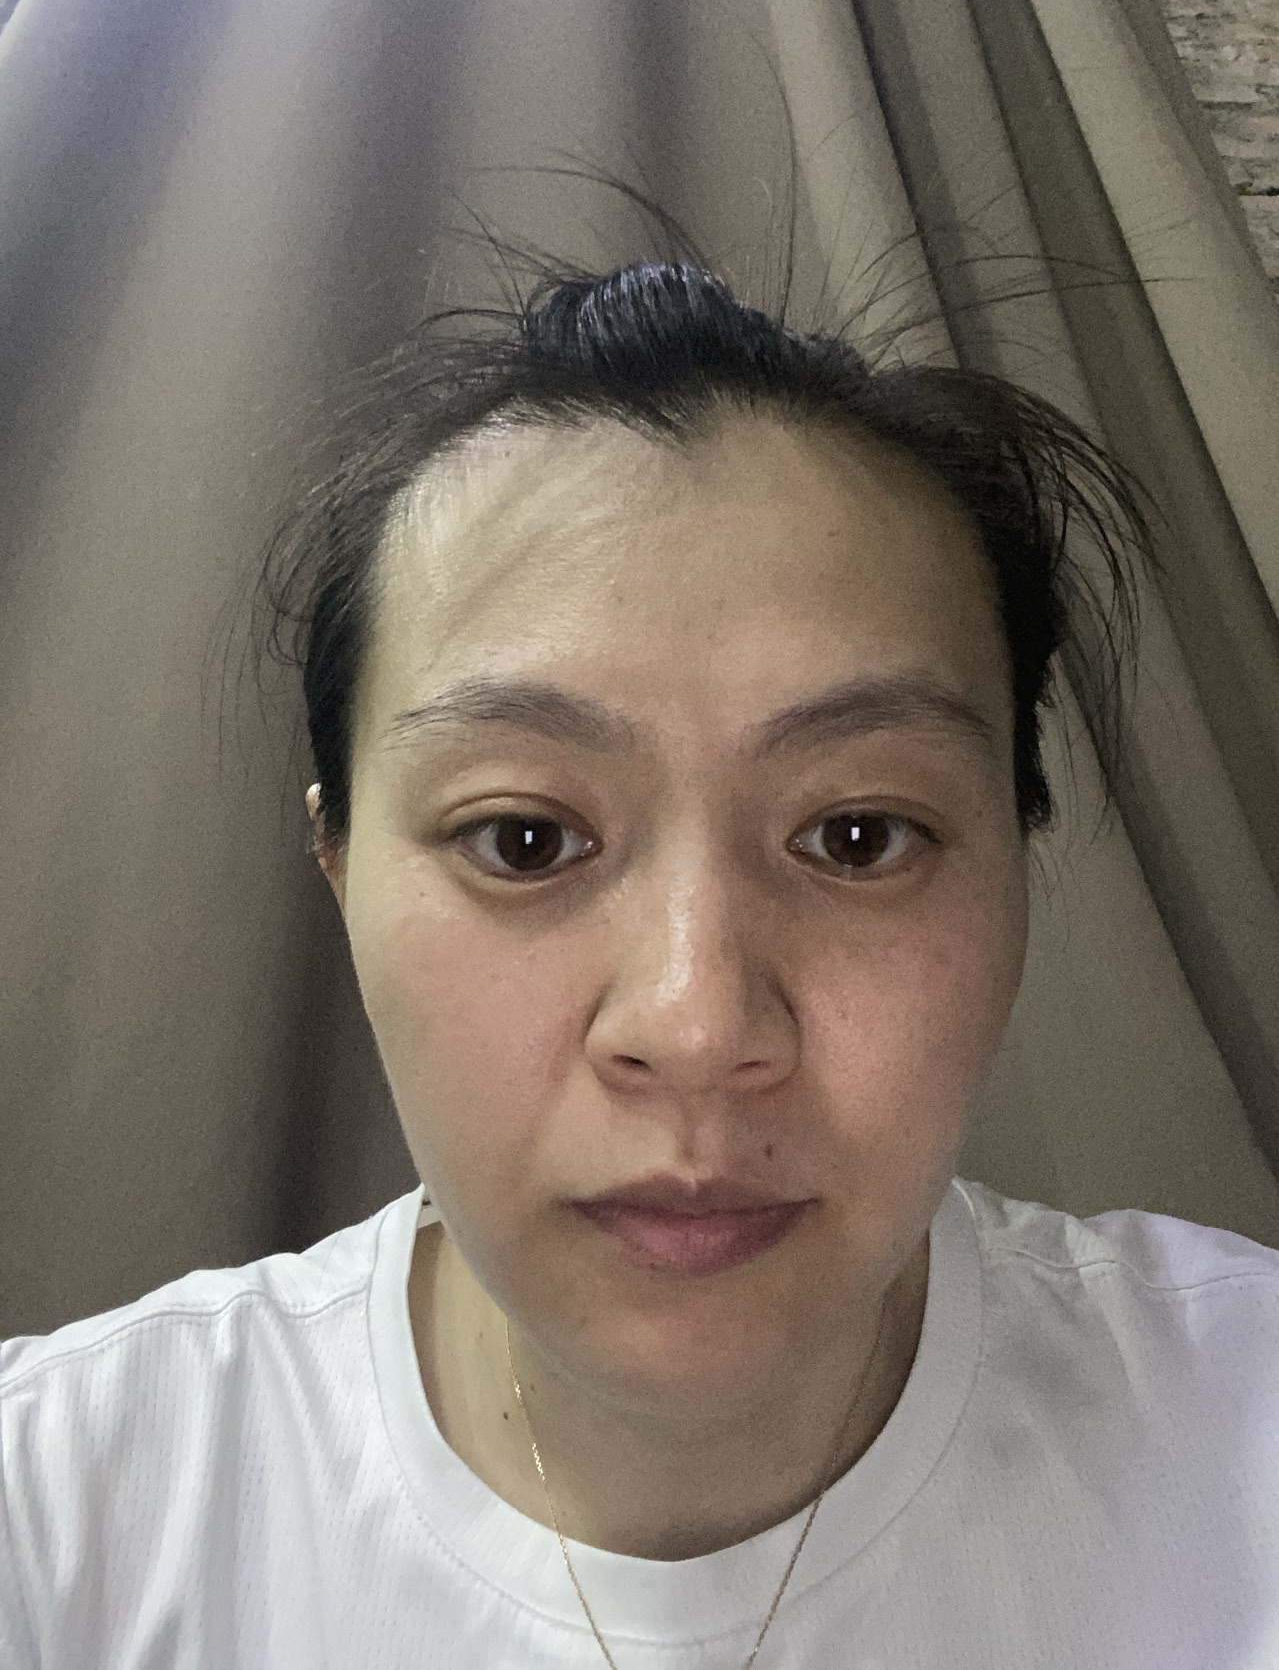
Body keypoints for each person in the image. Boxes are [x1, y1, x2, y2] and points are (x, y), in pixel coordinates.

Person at [2, 256, 1277, 1669]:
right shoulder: (59, 1522)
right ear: (341, 871)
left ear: (1017, 867)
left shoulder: (1245, 1436)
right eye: (526, 840)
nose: (697, 1023)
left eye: (857, 836)